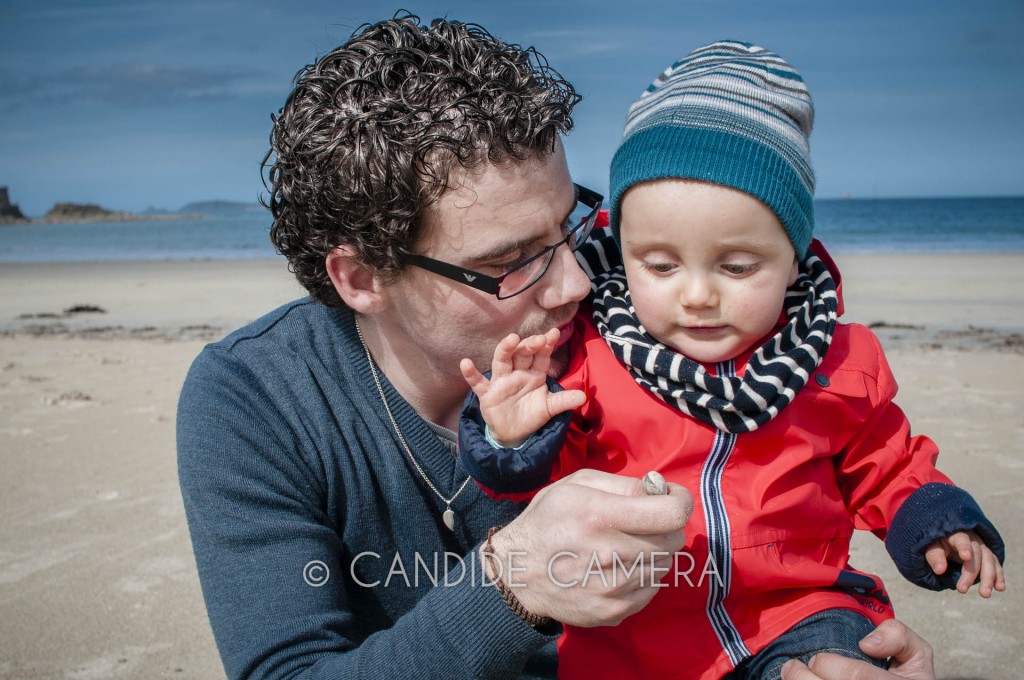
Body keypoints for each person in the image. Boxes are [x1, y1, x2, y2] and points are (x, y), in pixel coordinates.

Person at [175, 15, 940, 679]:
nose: (577, 283)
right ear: (363, 278)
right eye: (514, 260)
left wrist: (840, 646)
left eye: (573, 224)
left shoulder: (652, 336)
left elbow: (776, 515)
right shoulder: (257, 398)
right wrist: (514, 587)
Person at [457, 40, 1005, 680]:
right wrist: (512, 435)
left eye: (738, 266)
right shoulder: (590, 357)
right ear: (621, 249)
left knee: (842, 660)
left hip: (798, 607)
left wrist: (935, 521)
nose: (696, 295)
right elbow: (542, 494)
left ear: (795, 259)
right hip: (633, 626)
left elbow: (885, 462)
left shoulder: (835, 359)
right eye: (659, 265)